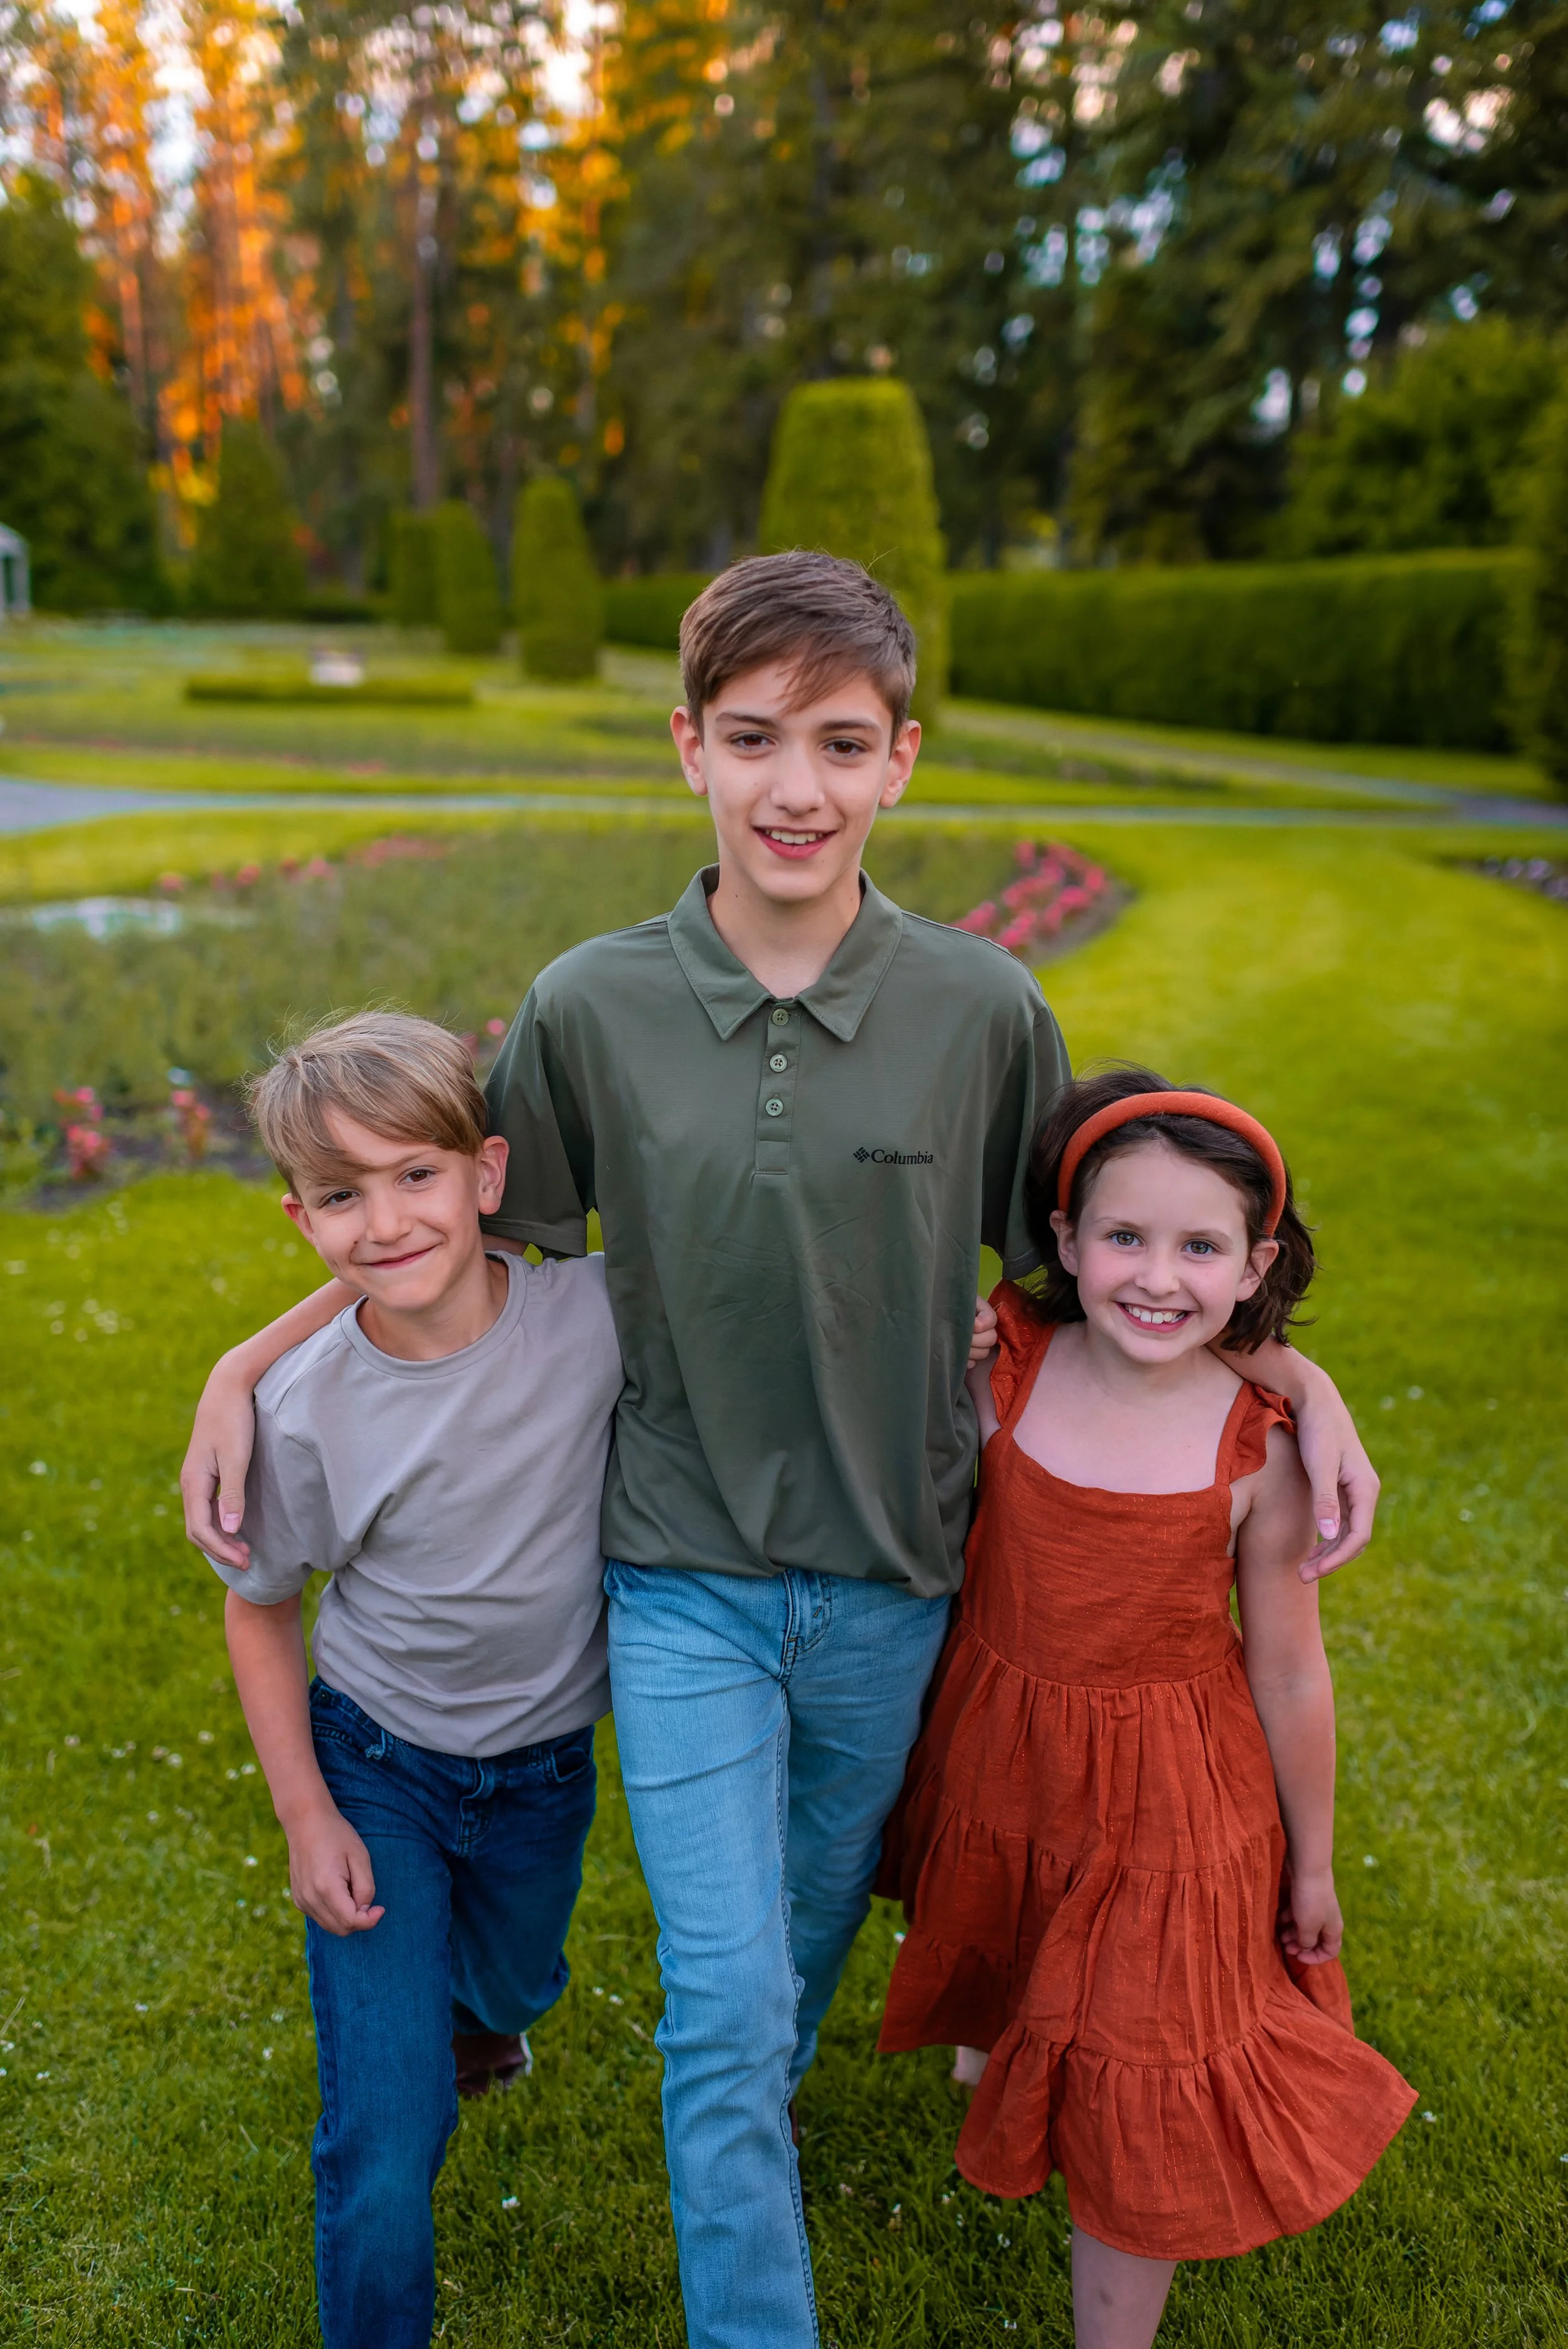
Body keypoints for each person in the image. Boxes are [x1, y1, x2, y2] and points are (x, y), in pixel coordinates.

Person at [183, 554, 1382, 2349]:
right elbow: (448, 1242)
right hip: (676, 1582)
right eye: (750, 740)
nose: (792, 786)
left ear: (901, 758)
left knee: (798, 1955)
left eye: (837, 742)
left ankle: (752, 2110)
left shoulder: (982, 1011)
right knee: (725, 2004)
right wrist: (243, 1358)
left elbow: (1109, 1272)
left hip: (901, 1588)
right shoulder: (591, 1004)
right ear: (687, 749)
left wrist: (1302, 1381)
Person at [877, 1066, 1416, 2349]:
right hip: (1002, 1749)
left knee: (1145, 2064)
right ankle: (995, 2055)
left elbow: (1287, 1669)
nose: (1156, 1277)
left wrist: (1314, 1860)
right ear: (1063, 1241)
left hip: (1176, 1798)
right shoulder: (1003, 1365)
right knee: (1010, 1930)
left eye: (1198, 1247)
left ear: (1252, 1266)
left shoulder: (1257, 1445)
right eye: (1123, 1236)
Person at [202, 1012, 623, 2349]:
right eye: (341, 1196)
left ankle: (483, 2025)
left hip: (548, 1770)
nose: (383, 1222)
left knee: (510, 1984)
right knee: (384, 2136)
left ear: (486, 1173)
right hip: (379, 1768)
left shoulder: (594, 1317)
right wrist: (306, 1817)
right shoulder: (302, 1411)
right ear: (299, 1220)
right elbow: (259, 1609)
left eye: (415, 1176)